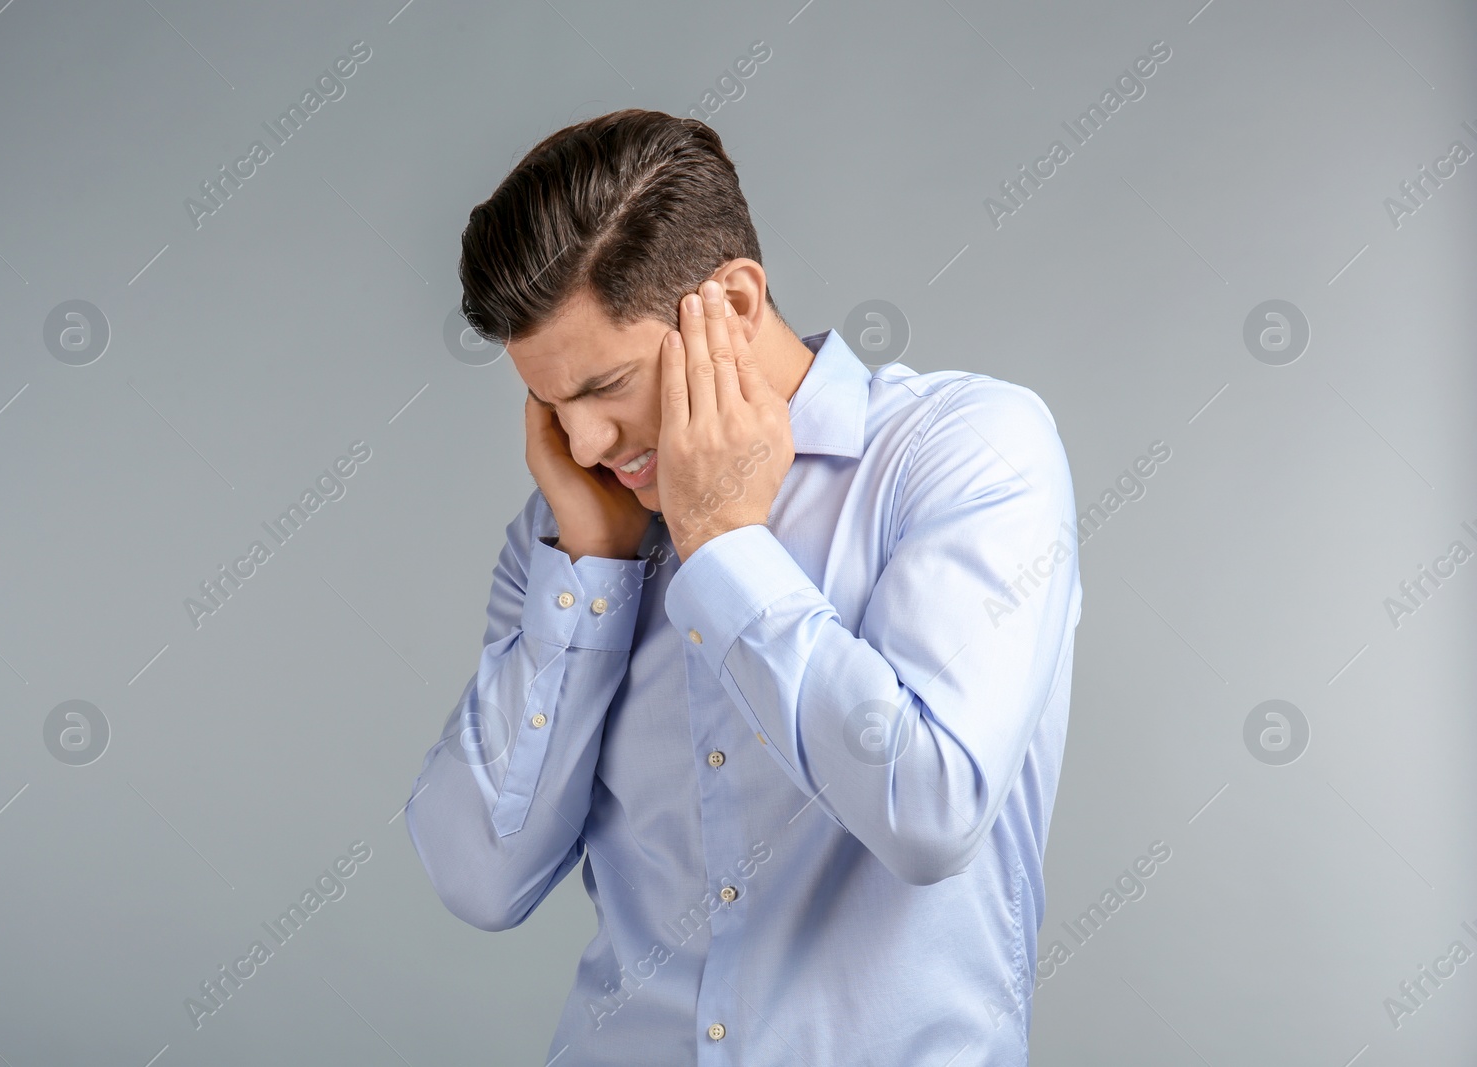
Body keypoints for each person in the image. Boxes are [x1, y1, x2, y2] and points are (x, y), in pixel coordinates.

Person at [405, 107, 1083, 1067]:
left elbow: (929, 811)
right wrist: (591, 572)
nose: (585, 443)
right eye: (551, 405)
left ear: (731, 302)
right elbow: (481, 874)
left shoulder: (968, 454)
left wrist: (722, 540)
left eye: (605, 387)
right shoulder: (571, 529)